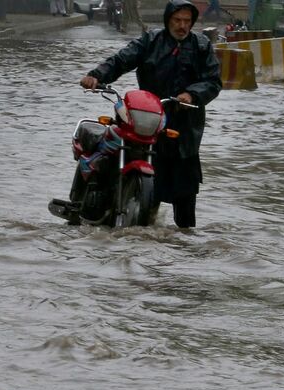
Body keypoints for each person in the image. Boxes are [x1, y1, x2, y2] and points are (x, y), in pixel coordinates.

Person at [80, 0, 222, 228]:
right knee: (133, 168)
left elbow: (213, 81)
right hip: (146, 120)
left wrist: (192, 95)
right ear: (168, 20)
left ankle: (185, 244)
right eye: (177, 20)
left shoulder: (202, 46)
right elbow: (121, 60)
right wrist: (97, 75)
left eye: (187, 21)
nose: (182, 26)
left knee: (185, 193)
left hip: (184, 128)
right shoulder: (151, 40)